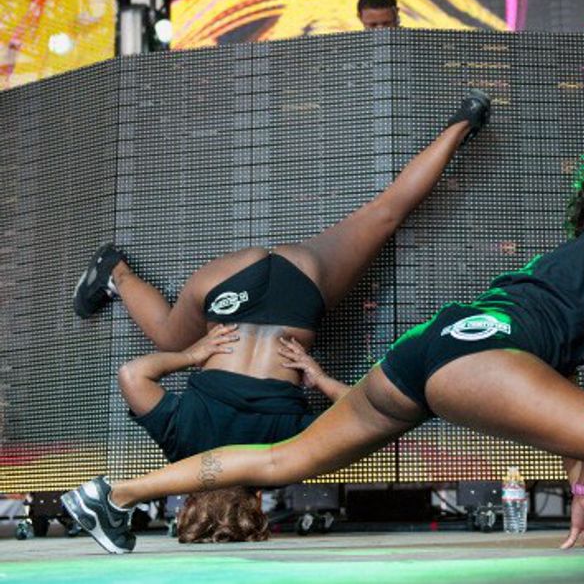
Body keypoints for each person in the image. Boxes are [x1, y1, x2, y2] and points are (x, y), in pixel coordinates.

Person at [62, 136, 584, 554]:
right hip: (479, 362)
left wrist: (582, 486)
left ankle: (113, 494)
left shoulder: (565, 256)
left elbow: (576, 400)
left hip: (429, 344)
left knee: (282, 459)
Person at [68, 89, 491, 541]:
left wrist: (318, 377)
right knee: (170, 339)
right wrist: (192, 355)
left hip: (297, 289)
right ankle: (116, 272)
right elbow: (133, 375)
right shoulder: (182, 447)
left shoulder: (286, 454)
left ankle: (464, 121)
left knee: (386, 213)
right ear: (188, 502)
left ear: (256, 502)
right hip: (228, 290)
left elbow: (368, 411)